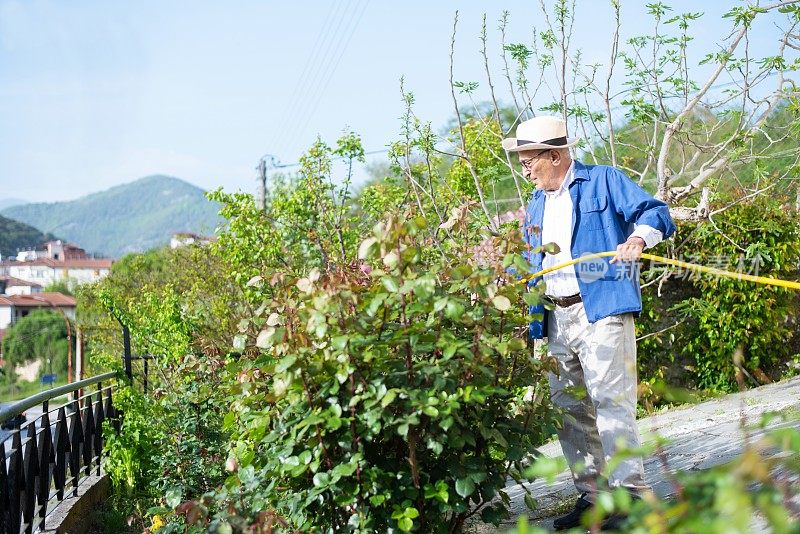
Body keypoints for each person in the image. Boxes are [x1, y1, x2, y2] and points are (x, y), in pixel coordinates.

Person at [502, 116, 676, 530]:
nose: (525, 170)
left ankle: (632, 501)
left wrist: (637, 239)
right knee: (569, 409)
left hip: (601, 308)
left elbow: (655, 212)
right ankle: (594, 498)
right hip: (555, 317)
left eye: (530, 162)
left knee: (610, 404)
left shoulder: (602, 181)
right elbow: (530, 262)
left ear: (555, 155)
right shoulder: (536, 204)